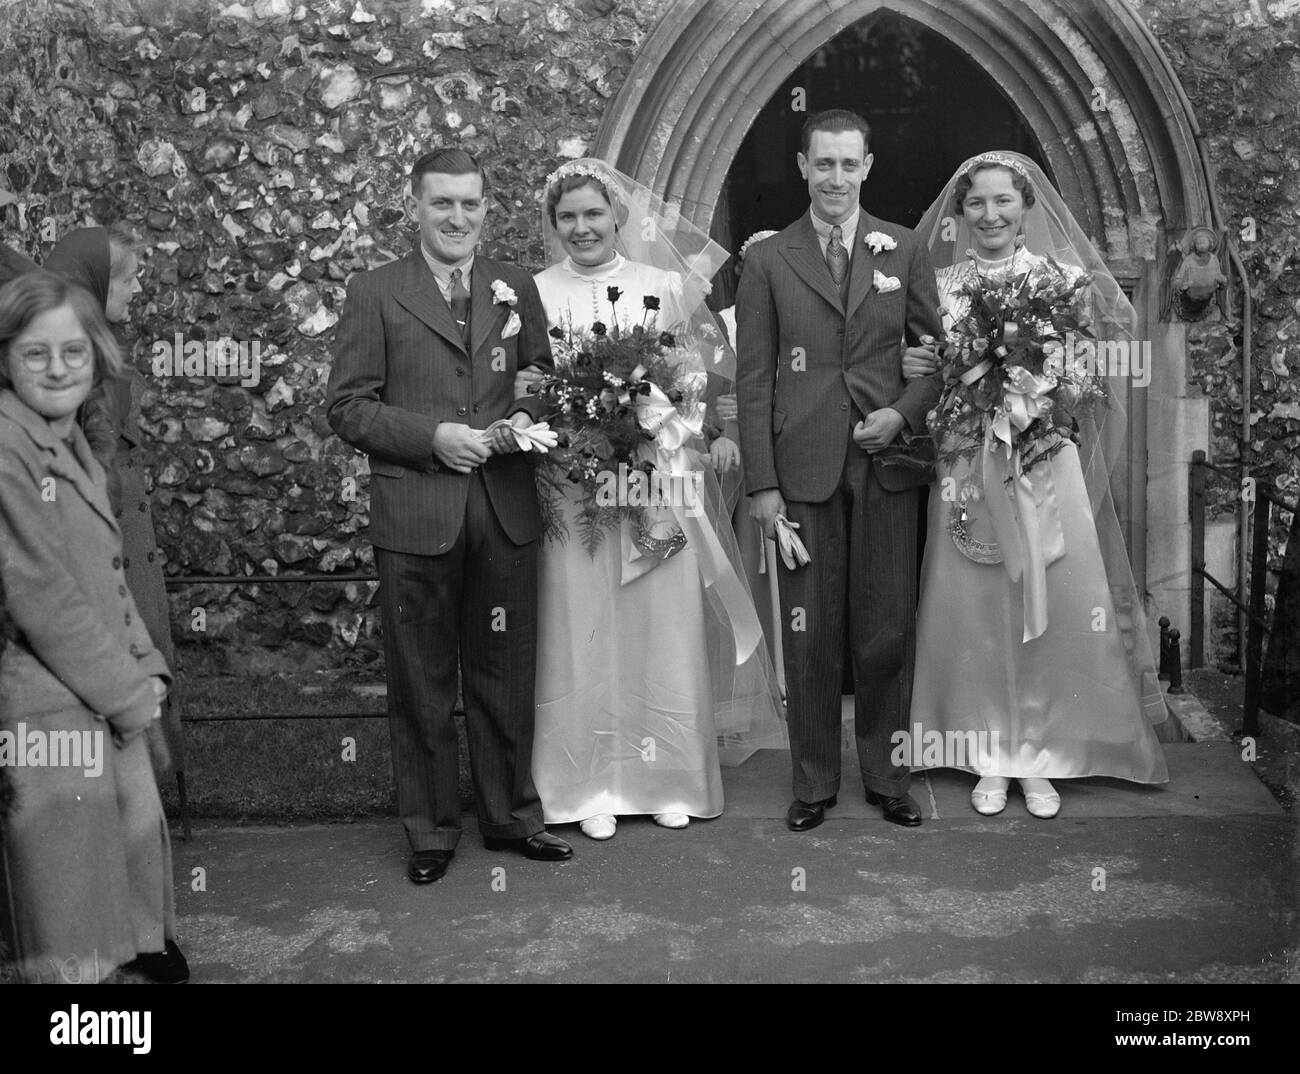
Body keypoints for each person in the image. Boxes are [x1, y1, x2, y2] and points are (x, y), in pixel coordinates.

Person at [327, 148, 572, 884]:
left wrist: (522, 416)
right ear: (414, 206)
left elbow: (541, 379)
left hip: (504, 511)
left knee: (506, 673)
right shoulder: (375, 291)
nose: (457, 218)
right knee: (423, 681)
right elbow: (348, 406)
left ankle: (509, 818)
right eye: (442, 204)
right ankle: (431, 831)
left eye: (470, 205)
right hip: (417, 516)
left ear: (486, 210)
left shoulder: (514, 284)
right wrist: (433, 438)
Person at [903, 151, 1169, 818]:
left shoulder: (1065, 278)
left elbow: (1086, 379)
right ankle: (990, 749)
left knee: (1051, 597)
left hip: (1044, 457)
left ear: (1025, 207)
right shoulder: (947, 284)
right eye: (977, 203)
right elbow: (935, 373)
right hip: (969, 461)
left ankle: (1045, 751)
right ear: (961, 212)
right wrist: (933, 367)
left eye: (1002, 201)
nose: (989, 214)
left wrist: (1042, 387)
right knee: (979, 604)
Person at [527, 159, 783, 841]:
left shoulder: (665, 286)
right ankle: (587, 784)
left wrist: (657, 414)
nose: (582, 227)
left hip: (654, 480)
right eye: (568, 217)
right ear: (554, 226)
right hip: (573, 489)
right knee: (583, 630)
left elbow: (699, 379)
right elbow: (527, 385)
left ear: (618, 217)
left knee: (658, 626)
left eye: (593, 214)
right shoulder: (534, 293)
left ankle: (667, 776)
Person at [736, 110, 944, 833]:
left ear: (867, 165)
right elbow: (753, 379)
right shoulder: (767, 261)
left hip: (885, 465)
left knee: (886, 628)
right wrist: (762, 485)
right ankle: (814, 781)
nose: (835, 178)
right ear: (802, 167)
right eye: (822, 164)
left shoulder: (906, 248)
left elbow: (936, 356)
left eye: (847, 164)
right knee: (809, 631)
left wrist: (903, 414)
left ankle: (889, 776)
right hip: (802, 471)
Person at [0, 270, 186, 982]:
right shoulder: (9, 447)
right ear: (6, 356)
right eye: (34, 353)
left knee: (121, 933)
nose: (56, 369)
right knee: (72, 939)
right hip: (50, 714)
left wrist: (149, 666)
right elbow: (41, 596)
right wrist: (131, 694)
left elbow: (107, 578)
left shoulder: (69, 438)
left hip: (104, 703)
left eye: (73, 352)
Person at [44, 226, 182, 775]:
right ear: (97, 284)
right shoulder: (67, 367)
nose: (137, 290)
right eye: (130, 279)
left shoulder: (102, 355)